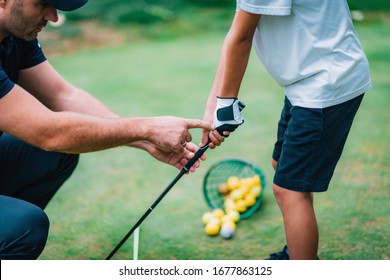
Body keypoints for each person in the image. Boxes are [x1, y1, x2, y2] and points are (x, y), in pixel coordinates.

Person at [0, 0, 213, 260]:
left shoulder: (15, 35)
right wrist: (146, 128)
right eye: (44, 3)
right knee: (24, 227)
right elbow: (49, 132)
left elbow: (62, 96)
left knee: (58, 154)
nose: (53, 17)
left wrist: (145, 140)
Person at [201, 0, 371, 259]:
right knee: (281, 166)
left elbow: (242, 38)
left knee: (289, 189)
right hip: (307, 83)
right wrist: (214, 108)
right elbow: (237, 30)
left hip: (325, 84)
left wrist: (226, 106)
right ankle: (297, 254)